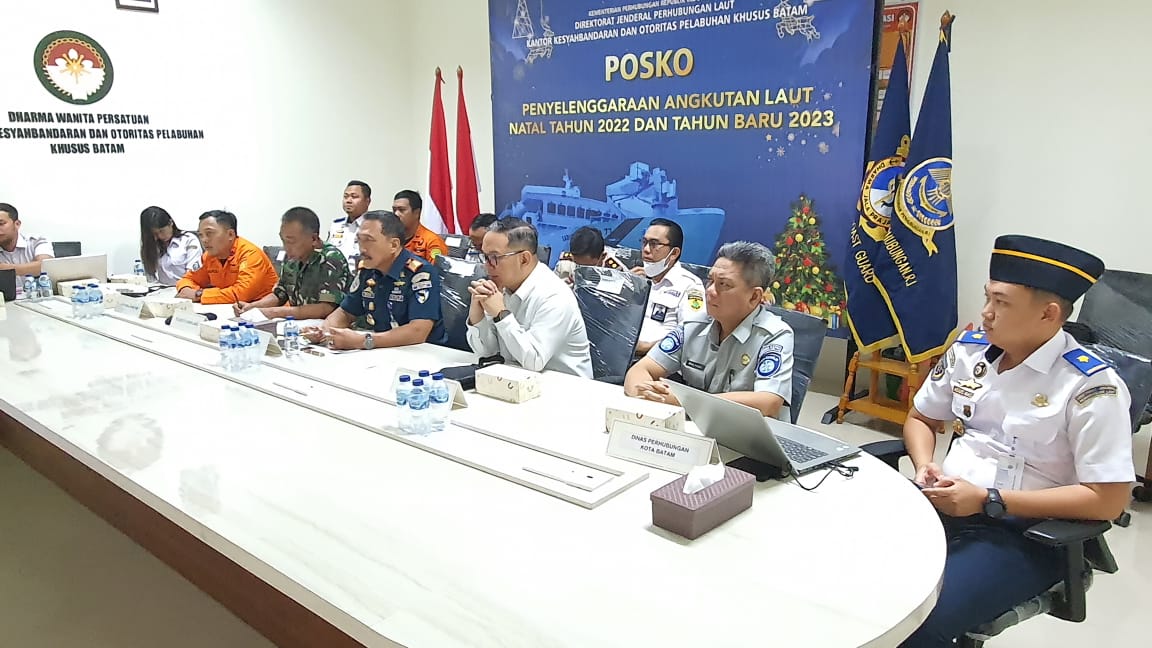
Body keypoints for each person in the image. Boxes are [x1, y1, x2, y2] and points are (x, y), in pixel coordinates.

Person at [899, 235, 1133, 648]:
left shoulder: (1090, 386)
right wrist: (924, 465)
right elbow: (921, 418)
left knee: (918, 620)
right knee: (853, 575)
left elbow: (1108, 500)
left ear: (1048, 313)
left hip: (1024, 534)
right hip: (941, 504)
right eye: (987, 297)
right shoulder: (969, 352)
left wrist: (990, 499)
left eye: (1001, 303)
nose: (986, 313)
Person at [624, 241, 794, 420]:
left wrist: (683, 401)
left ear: (754, 296)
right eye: (711, 281)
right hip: (691, 429)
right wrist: (646, 394)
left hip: (745, 434)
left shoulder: (775, 335)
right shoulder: (693, 325)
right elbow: (641, 369)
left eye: (724, 284)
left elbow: (768, 402)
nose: (710, 291)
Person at [466, 217, 593, 378]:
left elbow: (534, 361)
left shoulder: (554, 296)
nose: (486, 266)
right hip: (516, 380)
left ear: (524, 259)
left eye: (494, 258)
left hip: (564, 387)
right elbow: (488, 353)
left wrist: (501, 315)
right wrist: (477, 315)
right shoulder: (503, 287)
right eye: (485, 257)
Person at [302, 210, 445, 350]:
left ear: (393, 245)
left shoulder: (420, 272)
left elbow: (418, 331)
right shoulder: (368, 270)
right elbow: (345, 313)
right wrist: (324, 331)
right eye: (359, 240)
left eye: (368, 240)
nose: (361, 248)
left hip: (423, 352)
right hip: (384, 350)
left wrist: (364, 341)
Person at [234, 207, 352, 320]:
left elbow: (326, 308)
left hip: (329, 326)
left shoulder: (330, 258)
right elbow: (279, 294)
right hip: (299, 324)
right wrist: (252, 307)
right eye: (283, 241)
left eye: (291, 242)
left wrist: (274, 312)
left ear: (314, 239)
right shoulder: (291, 259)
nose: (286, 248)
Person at [629, 218, 706, 356]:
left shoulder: (690, 285)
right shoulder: (638, 278)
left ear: (674, 253)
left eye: (654, 244)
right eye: (644, 242)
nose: (646, 250)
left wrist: (646, 347)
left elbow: (691, 335)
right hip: (623, 353)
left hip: (659, 359)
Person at [176, 210, 279, 304]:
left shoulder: (250, 254)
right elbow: (188, 279)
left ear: (230, 234)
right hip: (228, 307)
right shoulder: (209, 256)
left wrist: (199, 295)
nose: (204, 240)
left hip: (263, 309)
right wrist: (185, 288)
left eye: (209, 233)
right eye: (200, 235)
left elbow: (242, 293)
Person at [139, 206, 203, 286]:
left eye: (162, 231)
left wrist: (183, 288)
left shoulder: (188, 240)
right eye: (155, 233)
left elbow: (192, 274)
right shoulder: (152, 245)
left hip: (186, 288)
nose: (160, 236)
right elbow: (150, 278)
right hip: (162, 290)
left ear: (170, 223)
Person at [328, 180, 372, 273]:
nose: (348, 201)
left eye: (354, 197)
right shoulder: (336, 226)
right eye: (346, 196)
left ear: (367, 201)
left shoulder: (373, 226)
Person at [393, 190, 448, 262]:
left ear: (417, 213)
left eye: (402, 210)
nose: (396, 214)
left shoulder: (432, 241)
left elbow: (435, 269)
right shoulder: (389, 238)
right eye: (394, 210)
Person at [0, 203, 54, 276]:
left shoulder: (37, 241)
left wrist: (5, 269)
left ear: (17, 224)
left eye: (1, 224)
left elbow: (46, 266)